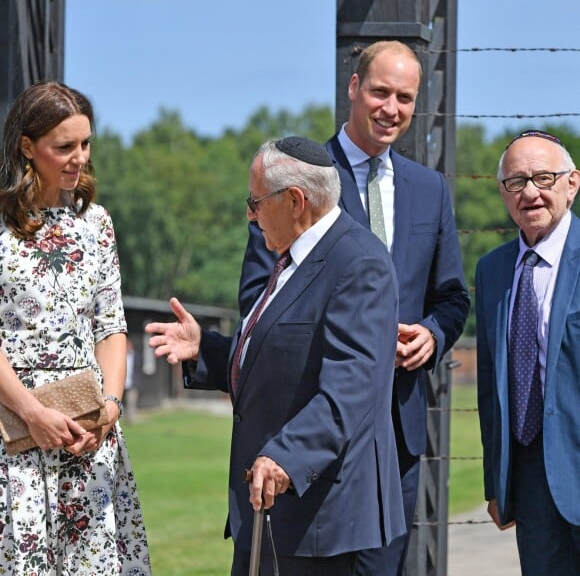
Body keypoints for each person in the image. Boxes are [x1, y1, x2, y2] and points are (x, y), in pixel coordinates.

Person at [238, 40, 470, 575]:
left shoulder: (430, 189)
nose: (392, 108)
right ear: (353, 87)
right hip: (311, 427)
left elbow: (453, 297)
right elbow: (260, 300)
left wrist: (433, 334)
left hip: (397, 431)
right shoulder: (297, 177)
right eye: (380, 92)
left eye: (405, 97)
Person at [146, 136, 405, 575]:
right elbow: (286, 359)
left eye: (256, 201)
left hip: (318, 524)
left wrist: (287, 454)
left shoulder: (359, 263)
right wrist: (205, 349)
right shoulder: (290, 258)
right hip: (269, 513)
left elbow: (353, 386)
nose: (250, 213)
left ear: (296, 201)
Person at [0, 82, 151, 574]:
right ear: (28, 147)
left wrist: (108, 409)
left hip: (88, 438)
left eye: (85, 144)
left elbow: (111, 325)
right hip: (12, 432)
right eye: (64, 146)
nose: (79, 158)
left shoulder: (97, 223)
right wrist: (32, 412)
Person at [475, 129, 580, 575]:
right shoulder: (492, 270)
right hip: (532, 481)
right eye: (517, 182)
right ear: (503, 193)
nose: (531, 193)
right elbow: (488, 383)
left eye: (544, 177)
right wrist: (496, 481)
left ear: (572, 183)